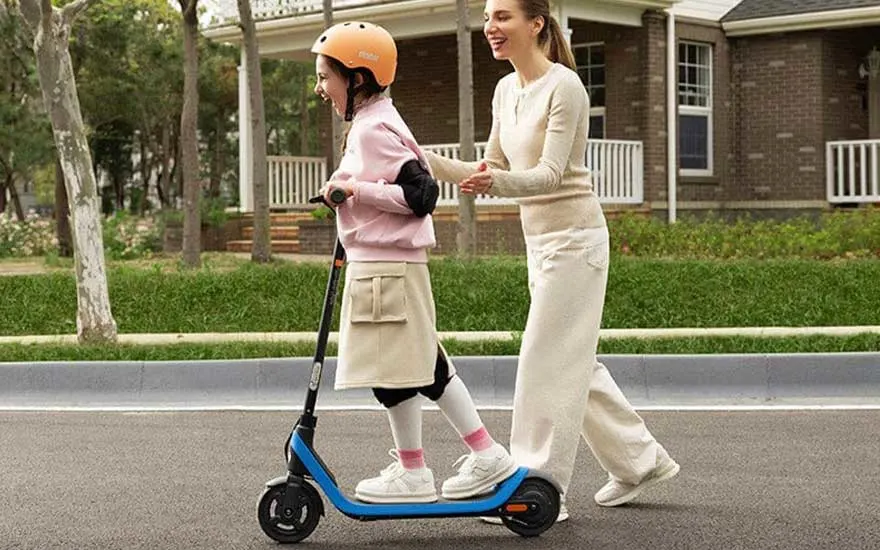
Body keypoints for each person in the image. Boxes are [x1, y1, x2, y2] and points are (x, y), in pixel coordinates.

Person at [422, 0, 680, 521]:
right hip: (540, 246)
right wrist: (422, 159)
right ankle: (640, 461)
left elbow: (549, 176)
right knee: (573, 363)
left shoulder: (565, 87)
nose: (491, 28)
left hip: (577, 242)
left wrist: (492, 181)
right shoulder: (505, 89)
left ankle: (533, 488)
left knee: (544, 360)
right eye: (488, 18)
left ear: (535, 23)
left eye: (503, 17)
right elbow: (489, 167)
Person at [310, 21, 518, 504]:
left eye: (326, 76)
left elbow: (420, 193)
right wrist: (341, 190)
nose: (321, 88)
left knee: (417, 370)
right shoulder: (372, 122)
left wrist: (354, 190)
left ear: (358, 77)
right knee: (403, 372)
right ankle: (422, 467)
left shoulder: (374, 128)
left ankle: (466, 461)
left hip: (389, 270)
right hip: (382, 267)